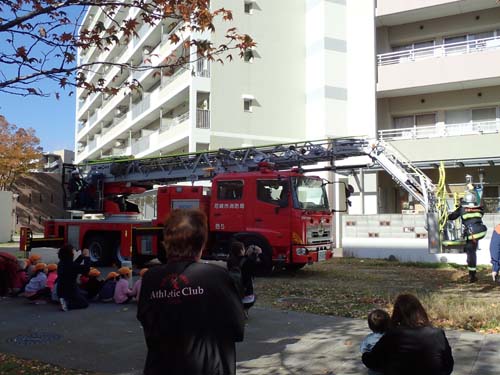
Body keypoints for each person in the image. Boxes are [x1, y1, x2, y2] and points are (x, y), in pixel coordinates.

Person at [137, 209, 245, 375]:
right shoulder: (217, 277)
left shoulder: (150, 279)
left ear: (166, 241)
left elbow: (149, 326)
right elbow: (237, 329)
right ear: (201, 244)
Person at [362, 293, 454, 375]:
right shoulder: (437, 334)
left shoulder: (393, 335)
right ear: (420, 311)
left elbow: (371, 361)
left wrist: (365, 353)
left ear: (397, 314)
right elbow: (448, 367)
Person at [448, 191, 487, 283]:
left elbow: (452, 217)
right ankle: (472, 273)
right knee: (471, 249)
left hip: (472, 234)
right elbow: (480, 213)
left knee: (471, 254)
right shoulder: (479, 209)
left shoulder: (462, 209)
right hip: (481, 231)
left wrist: (446, 216)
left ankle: (472, 275)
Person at [227, 241, 262, 319]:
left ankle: (237, 309)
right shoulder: (248, 261)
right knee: (255, 295)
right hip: (247, 297)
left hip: (233, 296)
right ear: (240, 251)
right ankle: (244, 310)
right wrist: (255, 253)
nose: (244, 250)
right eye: (243, 249)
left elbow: (241, 261)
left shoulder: (230, 261)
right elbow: (257, 264)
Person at [56, 245, 91, 311]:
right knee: (84, 303)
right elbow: (86, 269)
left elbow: (74, 265)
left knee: (85, 294)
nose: (74, 253)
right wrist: (87, 257)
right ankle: (67, 304)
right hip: (70, 290)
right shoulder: (71, 265)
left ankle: (64, 300)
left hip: (61, 289)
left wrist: (81, 256)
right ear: (69, 254)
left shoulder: (61, 263)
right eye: (73, 252)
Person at [360, 309, 390, 375]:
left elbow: (363, 350)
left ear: (370, 326)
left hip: (375, 368)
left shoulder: (368, 339)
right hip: (391, 367)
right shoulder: (393, 336)